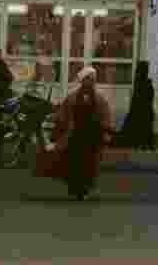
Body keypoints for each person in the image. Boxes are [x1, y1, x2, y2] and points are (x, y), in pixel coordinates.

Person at [49, 66, 114, 199]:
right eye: (88, 79)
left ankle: (84, 189)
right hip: (75, 136)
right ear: (82, 81)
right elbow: (63, 114)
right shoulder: (73, 98)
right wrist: (56, 120)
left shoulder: (99, 99)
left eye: (92, 80)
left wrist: (106, 133)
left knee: (89, 165)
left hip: (91, 137)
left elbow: (105, 116)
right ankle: (75, 187)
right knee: (74, 163)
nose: (90, 82)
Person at [120, 60, 155, 151]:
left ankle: (141, 144)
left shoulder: (138, 82)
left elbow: (136, 100)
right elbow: (149, 97)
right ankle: (146, 145)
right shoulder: (145, 83)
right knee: (146, 128)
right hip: (145, 112)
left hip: (139, 111)